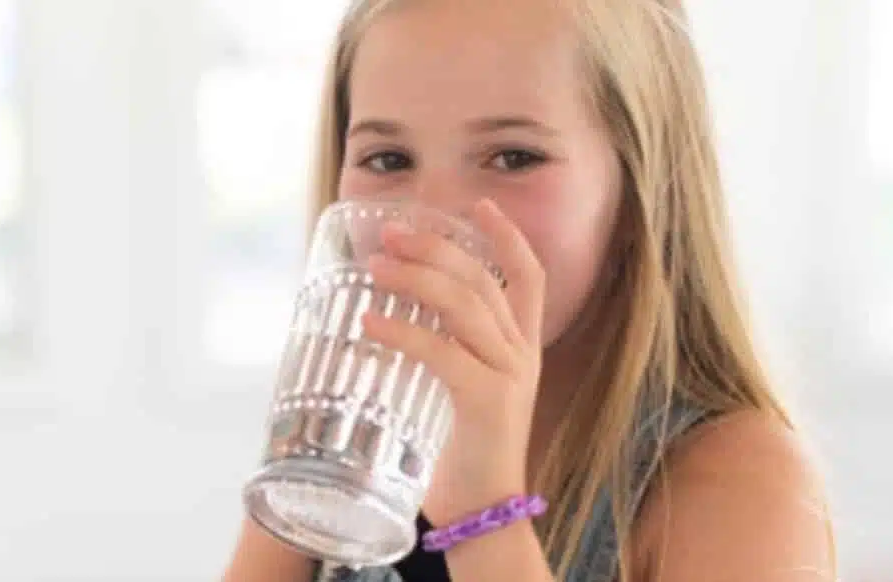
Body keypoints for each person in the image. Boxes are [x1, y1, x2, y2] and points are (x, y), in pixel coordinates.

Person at [220, 0, 835, 581]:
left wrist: (483, 512)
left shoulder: (738, 481)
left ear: (640, 196)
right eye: (387, 160)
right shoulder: (344, 446)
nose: (429, 219)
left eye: (513, 157)